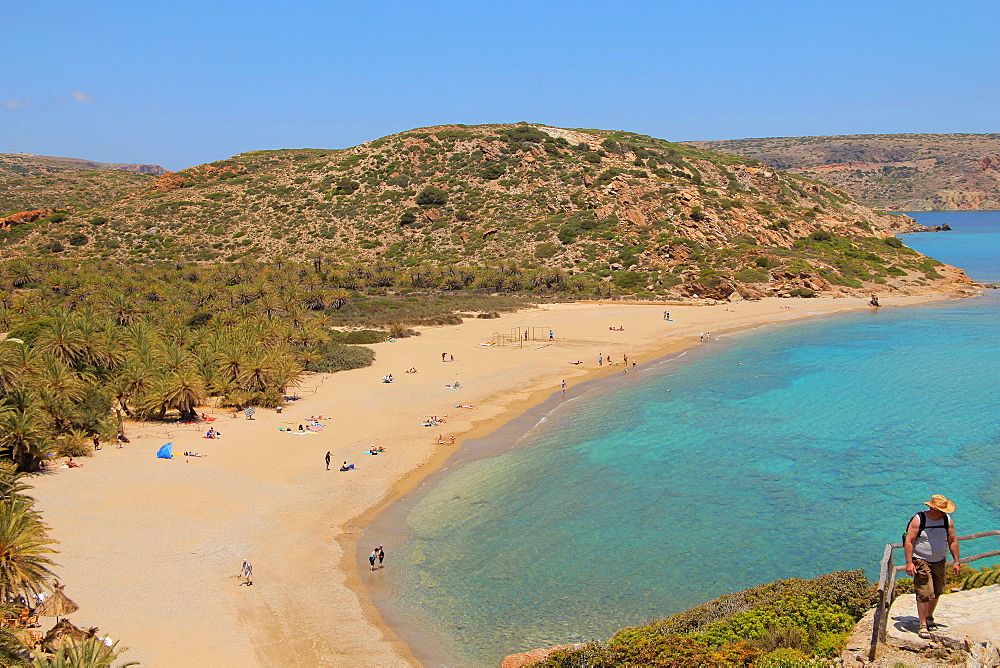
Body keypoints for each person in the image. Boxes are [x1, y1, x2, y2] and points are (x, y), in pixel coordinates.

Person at [904, 494, 960, 639]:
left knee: (937, 590)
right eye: (941, 510)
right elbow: (909, 541)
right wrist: (909, 562)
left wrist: (956, 561)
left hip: (940, 560)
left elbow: (953, 540)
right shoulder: (919, 520)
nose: (944, 513)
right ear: (933, 508)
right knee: (924, 592)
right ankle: (922, 624)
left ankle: (929, 617)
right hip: (921, 560)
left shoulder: (947, 520)